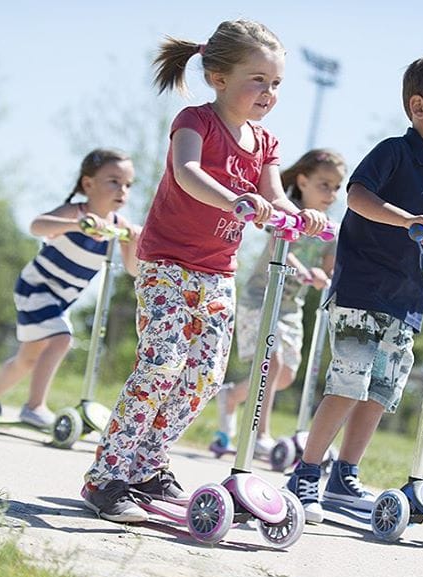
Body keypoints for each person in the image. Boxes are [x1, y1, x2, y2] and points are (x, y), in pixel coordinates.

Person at [81, 19, 327, 524]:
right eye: (257, 79)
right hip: (167, 262)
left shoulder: (266, 143)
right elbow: (187, 174)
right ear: (219, 77)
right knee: (161, 365)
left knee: (206, 375)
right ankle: (107, 477)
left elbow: (276, 196)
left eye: (276, 83)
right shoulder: (195, 121)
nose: (268, 92)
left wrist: (299, 215)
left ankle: (147, 463)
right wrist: (238, 200)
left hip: (217, 272)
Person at [286, 51, 423, 523]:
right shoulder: (394, 152)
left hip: (405, 299)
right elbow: (357, 195)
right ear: (419, 107)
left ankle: (345, 473)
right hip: (362, 288)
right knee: (348, 383)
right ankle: (306, 472)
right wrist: (407, 220)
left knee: (379, 391)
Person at [0, 148, 140, 427]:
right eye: (113, 181)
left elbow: (133, 269)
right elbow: (37, 225)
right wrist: (76, 225)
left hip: (60, 300)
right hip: (36, 288)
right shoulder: (77, 212)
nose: (122, 190)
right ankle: (34, 406)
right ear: (88, 184)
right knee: (61, 339)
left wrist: (132, 241)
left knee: (27, 358)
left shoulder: (117, 226)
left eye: (128, 185)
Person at [210, 149, 347, 459]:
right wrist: (301, 270)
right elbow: (279, 245)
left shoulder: (329, 228)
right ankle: (260, 435)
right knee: (270, 364)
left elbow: (330, 266)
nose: (332, 194)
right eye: (324, 185)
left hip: (290, 309)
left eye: (337, 187)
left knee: (283, 376)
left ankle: (232, 396)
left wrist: (323, 277)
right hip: (261, 300)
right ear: (302, 181)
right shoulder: (287, 212)